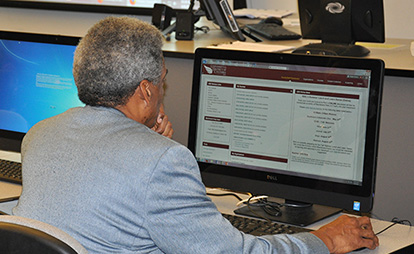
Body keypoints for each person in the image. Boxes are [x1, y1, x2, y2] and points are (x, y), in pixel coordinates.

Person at [13, 16, 379, 254]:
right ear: (144, 91)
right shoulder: (160, 162)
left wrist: (144, 139)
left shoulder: (40, 134)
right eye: (162, 81)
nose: (161, 89)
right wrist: (325, 240)